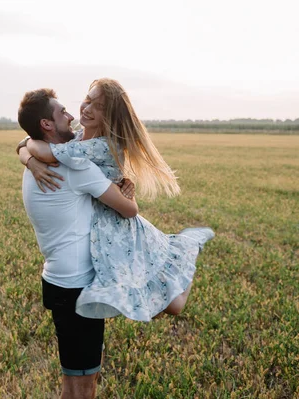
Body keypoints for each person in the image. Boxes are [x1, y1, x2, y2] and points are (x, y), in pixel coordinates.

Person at [18, 78, 215, 322]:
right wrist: (28, 155)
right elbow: (31, 143)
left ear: (109, 117)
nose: (86, 109)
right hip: (104, 229)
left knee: (172, 304)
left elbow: (43, 150)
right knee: (139, 292)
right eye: (88, 100)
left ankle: (189, 246)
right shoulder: (77, 140)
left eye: (99, 106)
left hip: (121, 226)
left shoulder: (98, 147)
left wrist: (29, 154)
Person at [17, 88, 138, 399]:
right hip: (76, 288)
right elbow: (128, 210)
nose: (72, 115)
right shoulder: (76, 168)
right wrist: (127, 194)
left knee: (78, 377)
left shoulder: (38, 163)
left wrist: (27, 157)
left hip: (58, 281)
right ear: (46, 124)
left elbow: (23, 144)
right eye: (62, 112)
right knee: (82, 384)